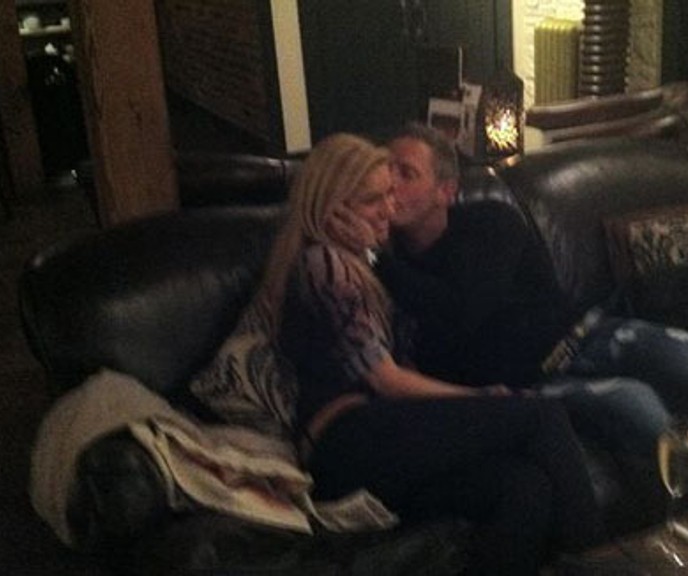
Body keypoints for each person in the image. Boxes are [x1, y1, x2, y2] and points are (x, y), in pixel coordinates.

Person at [374, 122, 688, 510]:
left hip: (594, 335)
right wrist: (377, 255)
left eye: (406, 173)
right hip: (540, 385)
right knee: (642, 412)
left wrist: (381, 260)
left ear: (446, 191)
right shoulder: (383, 272)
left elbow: (464, 307)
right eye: (385, 170)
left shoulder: (489, 221)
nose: (389, 184)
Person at [255, 133, 621, 576]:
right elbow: (385, 379)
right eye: (373, 200)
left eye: (390, 194)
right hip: (345, 441)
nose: (389, 209)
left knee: (522, 488)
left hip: (379, 434)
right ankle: (601, 568)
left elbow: (442, 319)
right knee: (541, 416)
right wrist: (480, 398)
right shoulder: (326, 264)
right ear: (332, 206)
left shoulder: (367, 262)